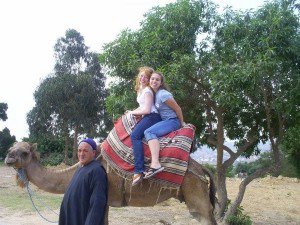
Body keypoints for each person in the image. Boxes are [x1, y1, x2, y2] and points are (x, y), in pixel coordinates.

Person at [143, 72, 184, 179]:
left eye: (157, 80)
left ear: (161, 83)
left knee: (149, 132)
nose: (154, 81)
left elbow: (178, 108)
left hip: (172, 121)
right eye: (152, 79)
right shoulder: (155, 94)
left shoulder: (163, 94)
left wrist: (182, 123)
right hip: (167, 121)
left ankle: (155, 163)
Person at [59, 138, 108, 225]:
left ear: (93, 153)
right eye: (79, 150)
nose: (81, 154)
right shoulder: (80, 168)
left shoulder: (97, 171)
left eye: (85, 151)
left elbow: (97, 203)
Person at [126, 66, 162, 186]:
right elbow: (141, 106)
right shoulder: (140, 89)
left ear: (148, 79)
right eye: (141, 75)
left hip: (152, 116)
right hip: (148, 116)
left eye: (146, 77)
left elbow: (146, 110)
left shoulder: (147, 91)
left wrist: (132, 112)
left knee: (135, 136)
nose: (143, 78)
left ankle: (139, 170)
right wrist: (131, 111)